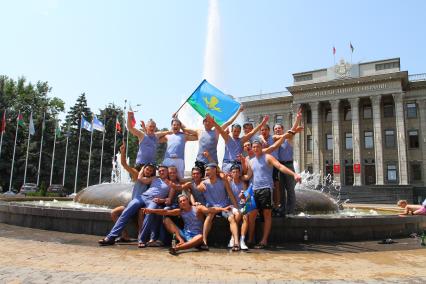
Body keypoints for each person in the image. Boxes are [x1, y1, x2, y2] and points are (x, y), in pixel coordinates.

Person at [242, 140, 301, 249]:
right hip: (254, 190)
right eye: (253, 147)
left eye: (257, 147)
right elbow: (248, 176)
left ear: (262, 147)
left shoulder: (268, 157)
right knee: (252, 214)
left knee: (267, 214)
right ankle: (250, 239)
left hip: (266, 189)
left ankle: (264, 240)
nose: (255, 149)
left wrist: (294, 174)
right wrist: (234, 177)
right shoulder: (251, 161)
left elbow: (280, 166)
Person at [98, 165, 174, 248]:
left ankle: (142, 239)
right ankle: (111, 237)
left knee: (149, 213)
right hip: (143, 196)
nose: (161, 172)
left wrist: (161, 200)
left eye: (163, 170)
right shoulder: (155, 178)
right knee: (126, 212)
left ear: (167, 172)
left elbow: (169, 200)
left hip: (154, 200)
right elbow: (140, 178)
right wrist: (142, 168)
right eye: (159, 171)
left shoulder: (171, 184)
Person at [144, 194, 232, 255]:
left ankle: (177, 248)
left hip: (196, 236)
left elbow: (210, 210)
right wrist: (151, 210)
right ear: (179, 204)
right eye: (180, 202)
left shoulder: (198, 208)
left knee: (200, 237)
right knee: (166, 219)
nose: (183, 202)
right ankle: (181, 241)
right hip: (184, 234)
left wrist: (223, 209)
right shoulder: (180, 212)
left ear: (188, 200)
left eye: (184, 200)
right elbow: (166, 211)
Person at [110, 144, 156, 242]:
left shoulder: (152, 180)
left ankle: (141, 236)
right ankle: (125, 235)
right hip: (131, 204)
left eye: (151, 171)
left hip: (141, 205)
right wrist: (122, 152)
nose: (149, 171)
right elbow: (124, 164)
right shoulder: (136, 175)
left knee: (140, 212)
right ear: (144, 169)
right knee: (114, 213)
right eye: (147, 169)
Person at [197, 163, 241, 251]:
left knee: (231, 218)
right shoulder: (204, 183)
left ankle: (236, 243)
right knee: (209, 216)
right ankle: (204, 242)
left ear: (214, 170)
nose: (206, 172)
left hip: (224, 207)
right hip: (212, 208)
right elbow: (199, 187)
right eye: (205, 170)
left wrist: (236, 207)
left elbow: (230, 194)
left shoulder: (223, 181)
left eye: (208, 170)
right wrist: (200, 187)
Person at [193, 108, 243, 176]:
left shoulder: (216, 131)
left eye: (210, 121)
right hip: (200, 162)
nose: (208, 123)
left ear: (213, 122)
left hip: (212, 162)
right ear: (203, 122)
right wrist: (178, 122)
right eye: (206, 121)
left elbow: (229, 123)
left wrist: (238, 112)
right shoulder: (199, 132)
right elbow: (185, 131)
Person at [272, 108, 303, 216]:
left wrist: (297, 119)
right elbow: (291, 131)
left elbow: (292, 130)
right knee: (280, 190)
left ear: (283, 129)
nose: (277, 130)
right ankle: (283, 209)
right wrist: (293, 131)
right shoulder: (275, 138)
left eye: (279, 128)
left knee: (290, 189)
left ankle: (291, 210)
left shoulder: (288, 138)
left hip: (288, 165)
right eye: (275, 129)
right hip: (279, 166)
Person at [227, 164, 249, 250]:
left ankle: (242, 240)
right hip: (232, 206)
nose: (235, 173)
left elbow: (246, 199)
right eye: (233, 172)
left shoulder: (243, 184)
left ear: (240, 173)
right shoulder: (228, 183)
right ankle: (233, 237)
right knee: (237, 214)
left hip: (241, 206)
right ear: (231, 173)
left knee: (246, 217)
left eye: (237, 172)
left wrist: (243, 197)